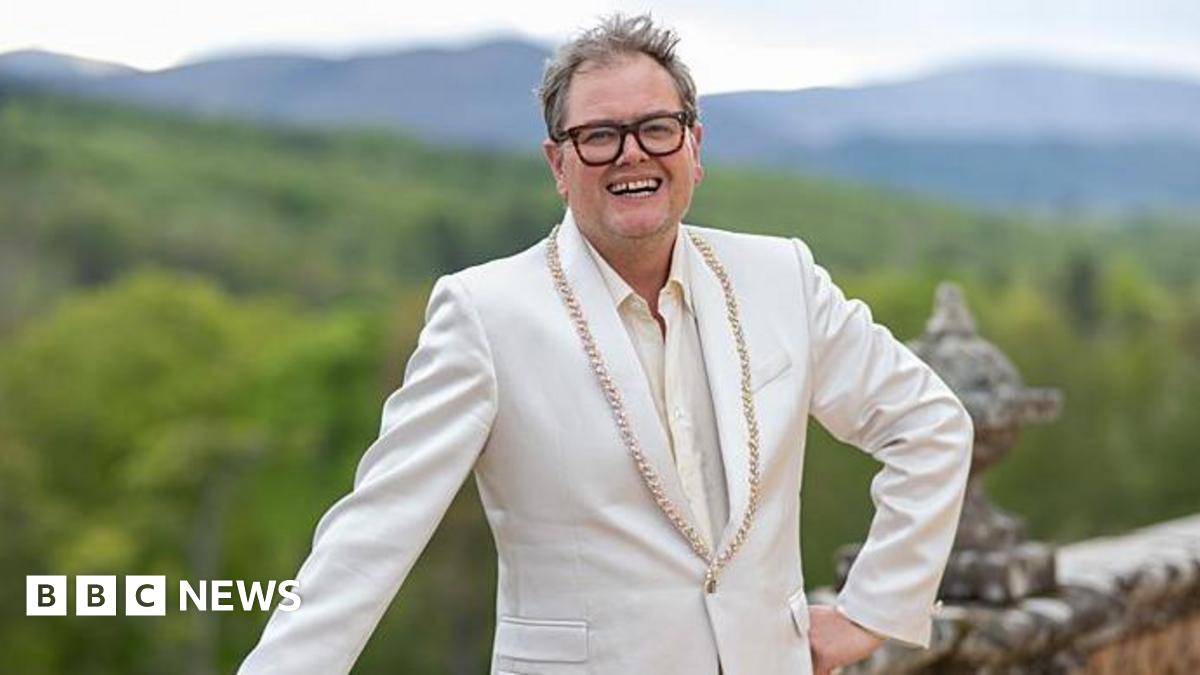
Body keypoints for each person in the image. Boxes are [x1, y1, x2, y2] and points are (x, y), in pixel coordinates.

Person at [238, 13, 972, 675]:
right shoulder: (484, 314)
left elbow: (931, 425)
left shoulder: (783, 275)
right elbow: (370, 536)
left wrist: (869, 611)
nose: (632, 155)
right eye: (599, 136)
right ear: (558, 164)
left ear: (694, 145)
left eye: (657, 127)